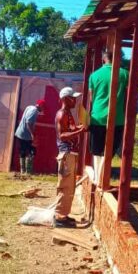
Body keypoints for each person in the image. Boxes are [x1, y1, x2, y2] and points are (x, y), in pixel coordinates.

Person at [88, 49, 129, 185]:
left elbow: (91, 98)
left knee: (96, 150)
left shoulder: (94, 75)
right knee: (109, 151)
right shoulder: (124, 74)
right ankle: (101, 179)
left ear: (103, 59)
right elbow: (128, 96)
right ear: (117, 59)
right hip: (116, 119)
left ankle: (97, 179)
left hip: (97, 118)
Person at [54, 86, 86, 227]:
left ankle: (64, 215)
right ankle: (59, 217)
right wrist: (80, 132)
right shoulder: (62, 114)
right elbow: (62, 135)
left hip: (70, 154)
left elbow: (70, 129)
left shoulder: (68, 113)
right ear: (65, 99)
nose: (75, 100)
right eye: (73, 98)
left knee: (69, 187)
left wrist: (80, 128)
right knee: (65, 186)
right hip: (66, 154)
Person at [14, 99, 45, 176]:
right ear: (40, 105)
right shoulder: (34, 111)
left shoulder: (29, 107)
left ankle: (23, 171)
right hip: (25, 135)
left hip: (20, 133)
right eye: (43, 107)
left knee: (23, 151)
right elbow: (28, 123)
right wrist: (32, 135)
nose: (43, 109)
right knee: (32, 151)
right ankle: (28, 171)